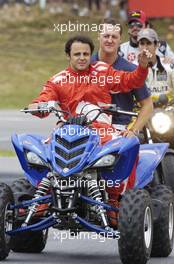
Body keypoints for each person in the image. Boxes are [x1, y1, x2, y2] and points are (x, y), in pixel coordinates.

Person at [28, 35, 151, 226]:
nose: (82, 57)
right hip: (67, 130)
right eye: (77, 54)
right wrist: (37, 106)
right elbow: (43, 99)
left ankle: (115, 200)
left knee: (129, 146)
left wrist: (142, 67)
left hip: (100, 130)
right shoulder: (58, 79)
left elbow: (130, 80)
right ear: (68, 55)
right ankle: (41, 197)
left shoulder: (102, 70)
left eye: (86, 53)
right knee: (42, 153)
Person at [91, 18, 153, 137]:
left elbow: (148, 105)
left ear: (120, 39)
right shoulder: (85, 66)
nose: (110, 40)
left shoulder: (131, 69)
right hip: (89, 128)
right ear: (99, 36)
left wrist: (133, 131)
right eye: (106, 36)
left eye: (114, 37)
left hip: (119, 130)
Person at [137, 28, 174, 101]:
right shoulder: (132, 68)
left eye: (148, 43)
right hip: (143, 110)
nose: (145, 48)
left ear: (156, 45)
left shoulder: (169, 66)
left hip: (167, 110)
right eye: (142, 44)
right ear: (138, 46)